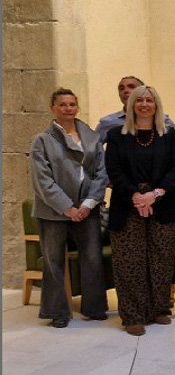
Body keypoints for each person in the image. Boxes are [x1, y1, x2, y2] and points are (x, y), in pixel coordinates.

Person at [105, 85, 175, 336]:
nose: (144, 104)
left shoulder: (169, 135)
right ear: (131, 105)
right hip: (127, 204)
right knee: (130, 261)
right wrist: (136, 196)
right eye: (139, 100)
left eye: (149, 100)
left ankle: (159, 309)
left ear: (156, 105)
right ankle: (133, 315)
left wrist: (155, 195)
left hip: (162, 202)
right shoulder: (117, 135)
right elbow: (114, 169)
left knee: (161, 259)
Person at [29, 88, 109, 328]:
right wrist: (67, 207)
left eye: (72, 104)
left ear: (77, 107)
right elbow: (42, 180)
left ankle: (94, 307)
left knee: (93, 258)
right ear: (52, 108)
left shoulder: (91, 137)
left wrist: (88, 204)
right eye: (62, 104)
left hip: (87, 209)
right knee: (53, 261)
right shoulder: (42, 140)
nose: (68, 108)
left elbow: (101, 172)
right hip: (53, 211)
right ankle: (57, 312)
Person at [96, 75, 175, 142]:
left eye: (131, 87)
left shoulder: (160, 119)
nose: (126, 91)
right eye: (121, 88)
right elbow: (93, 148)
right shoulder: (108, 122)